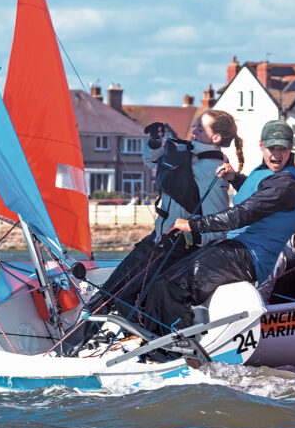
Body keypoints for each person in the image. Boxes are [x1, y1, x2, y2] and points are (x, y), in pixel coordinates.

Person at [65, 110, 242, 349]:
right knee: (118, 292)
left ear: (216, 137)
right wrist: (155, 143)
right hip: (156, 240)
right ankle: (124, 341)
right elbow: (151, 160)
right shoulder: (185, 151)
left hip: (173, 247)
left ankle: (71, 346)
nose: (194, 130)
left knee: (116, 293)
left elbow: (217, 225)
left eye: (201, 128)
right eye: (196, 126)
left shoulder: (213, 169)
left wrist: (189, 238)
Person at [142, 119, 295, 337]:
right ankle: (153, 337)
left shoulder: (287, 183)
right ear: (261, 146)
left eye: (282, 149)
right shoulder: (269, 174)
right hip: (234, 248)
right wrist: (235, 178)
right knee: (161, 279)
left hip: (249, 257)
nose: (276, 155)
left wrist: (193, 225)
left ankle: (181, 345)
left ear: (291, 147)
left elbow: (242, 214)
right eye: (271, 148)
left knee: (170, 287)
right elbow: (257, 192)